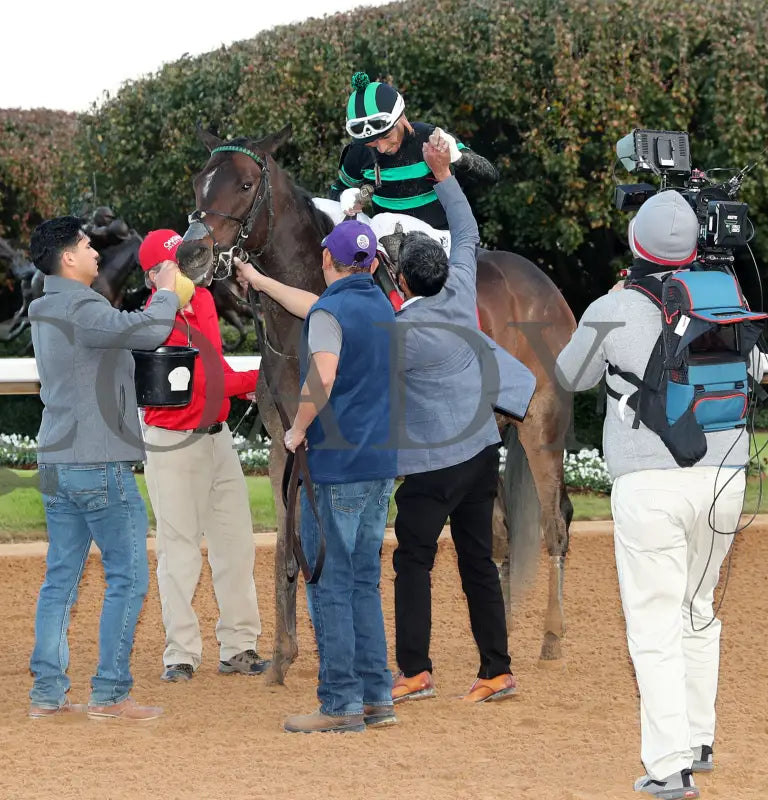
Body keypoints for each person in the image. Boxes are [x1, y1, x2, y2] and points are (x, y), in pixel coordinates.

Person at [555, 191, 755, 799]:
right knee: (699, 608)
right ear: (695, 246)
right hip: (727, 475)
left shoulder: (612, 306)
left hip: (650, 480)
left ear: (636, 245)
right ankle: (699, 738)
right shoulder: (727, 297)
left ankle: (670, 766)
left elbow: (570, 375)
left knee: (654, 622)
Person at [235, 218, 399, 734]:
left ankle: (339, 704)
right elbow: (314, 306)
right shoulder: (379, 305)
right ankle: (377, 697)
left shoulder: (332, 310)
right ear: (370, 264)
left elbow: (323, 374)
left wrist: (296, 429)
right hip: (379, 468)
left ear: (328, 261)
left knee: (328, 583)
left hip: (337, 467)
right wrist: (260, 282)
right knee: (365, 584)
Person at [387, 132, 535, 706]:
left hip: (430, 469)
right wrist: (443, 175)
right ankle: (496, 669)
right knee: (477, 561)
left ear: (402, 281)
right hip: (480, 455)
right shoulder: (461, 286)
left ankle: (416, 671)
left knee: (413, 563)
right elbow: (467, 232)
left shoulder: (398, 333)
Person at [26, 215, 181, 721]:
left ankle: (48, 693)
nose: (96, 252)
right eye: (88, 245)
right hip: (99, 462)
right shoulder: (82, 306)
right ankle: (111, 693)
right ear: (67, 258)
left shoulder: (46, 306)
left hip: (56, 460)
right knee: (128, 576)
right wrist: (165, 286)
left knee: (61, 581)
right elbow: (153, 329)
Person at [137, 230, 269, 682]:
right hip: (172, 443)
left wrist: (252, 378)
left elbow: (217, 369)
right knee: (179, 552)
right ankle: (180, 653)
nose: (192, 269)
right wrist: (266, 376)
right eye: (179, 264)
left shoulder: (206, 305)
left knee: (236, 544)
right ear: (156, 276)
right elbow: (204, 382)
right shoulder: (156, 322)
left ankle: (240, 646)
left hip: (216, 438)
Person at [329, 72, 499, 237]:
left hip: (442, 239)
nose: (381, 148)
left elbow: (491, 176)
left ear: (401, 118)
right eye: (371, 142)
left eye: (386, 136)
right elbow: (337, 189)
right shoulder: (358, 151)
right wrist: (344, 197)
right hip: (389, 243)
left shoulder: (430, 137)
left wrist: (458, 157)